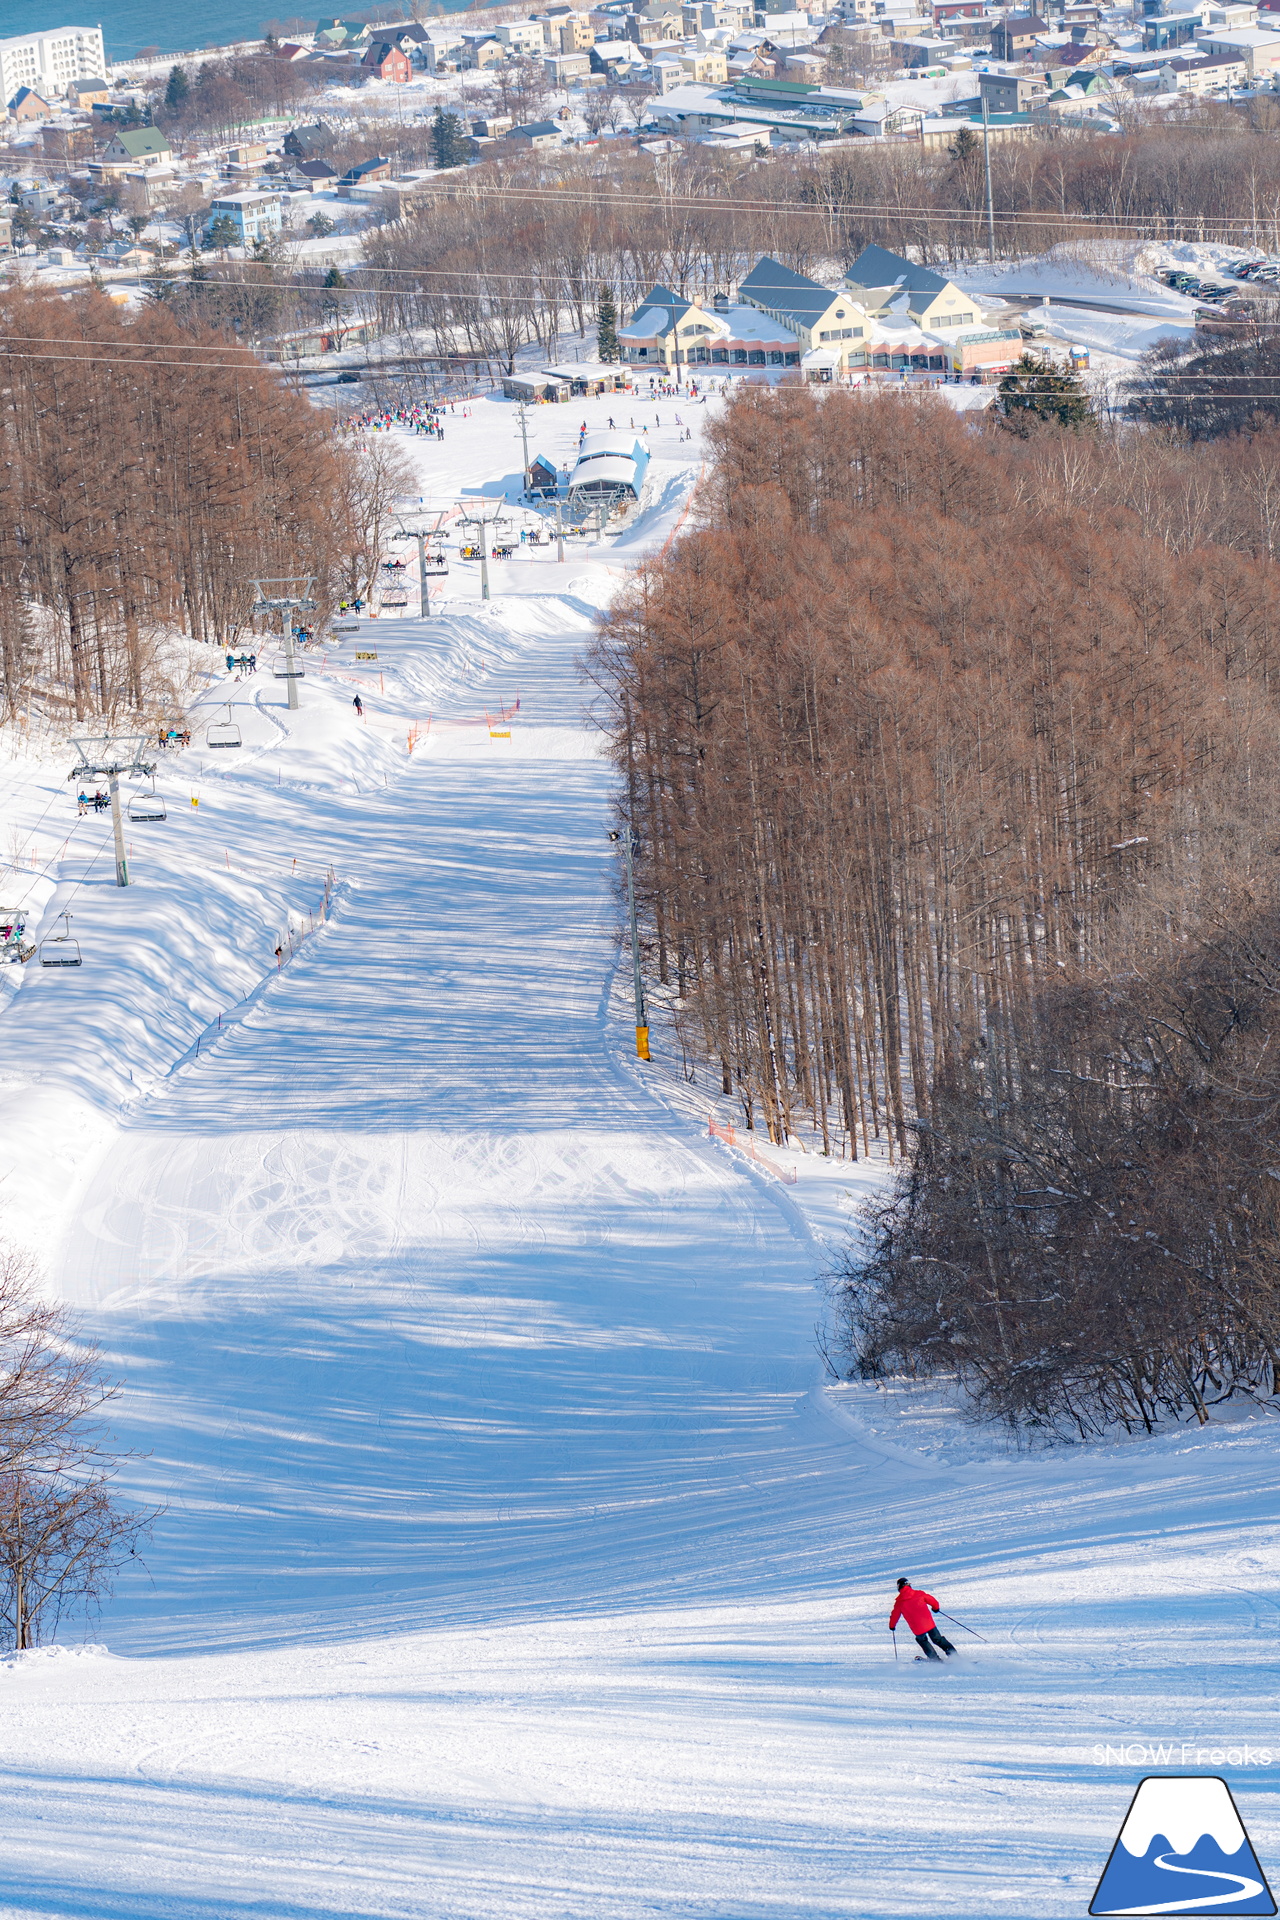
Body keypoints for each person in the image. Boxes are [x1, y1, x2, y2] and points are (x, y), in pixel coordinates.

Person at [889, 1577, 956, 1660]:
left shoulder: (899, 1602)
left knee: (923, 1641)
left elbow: (894, 1615)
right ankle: (954, 1656)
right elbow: (933, 1601)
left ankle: (935, 1660)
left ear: (899, 1587)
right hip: (929, 1623)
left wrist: (892, 1626)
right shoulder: (919, 1594)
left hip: (917, 1628)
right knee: (938, 1639)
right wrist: (936, 1608)